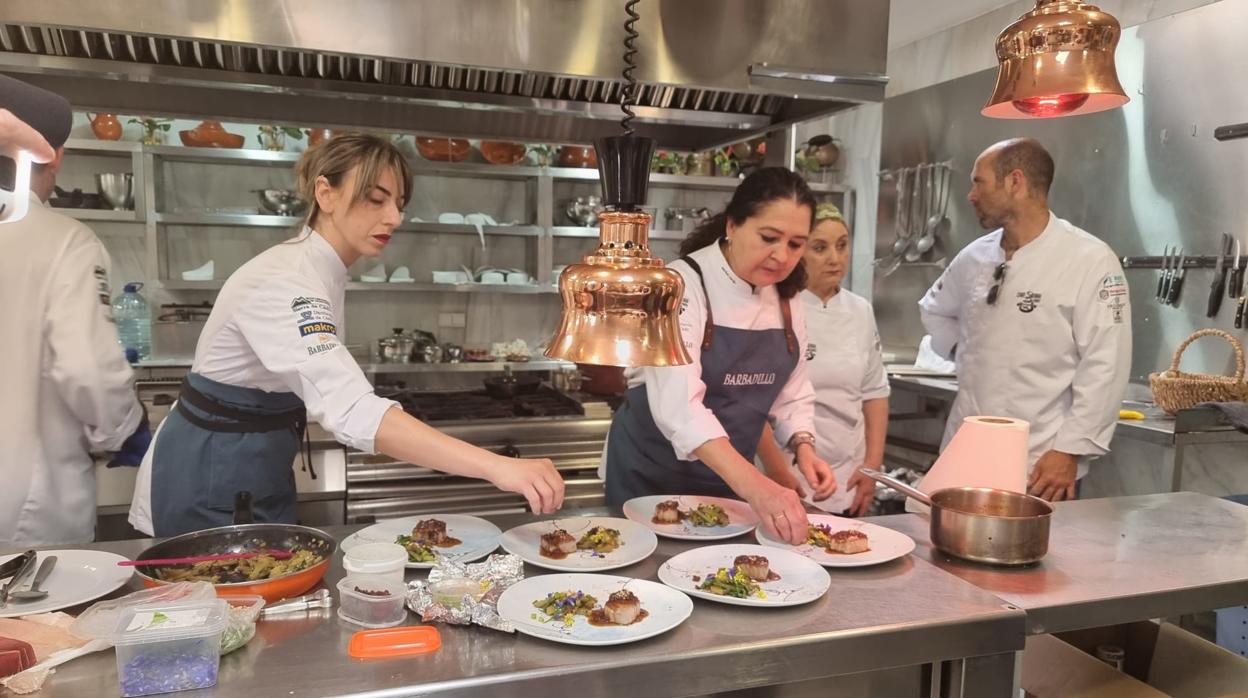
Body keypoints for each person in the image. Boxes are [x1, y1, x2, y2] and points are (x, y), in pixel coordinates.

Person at [129, 134, 564, 536]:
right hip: (211, 475)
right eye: (376, 200)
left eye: (399, 203)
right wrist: (497, 467)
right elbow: (352, 410)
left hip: (253, 466)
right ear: (326, 193)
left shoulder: (325, 272)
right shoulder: (287, 281)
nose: (394, 217)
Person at [602, 167, 837, 545]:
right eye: (769, 238)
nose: (782, 256)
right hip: (650, 475)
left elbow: (793, 391)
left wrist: (803, 447)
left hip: (730, 479)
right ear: (732, 225)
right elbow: (679, 409)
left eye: (796, 244)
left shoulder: (788, 297)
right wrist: (757, 485)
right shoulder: (680, 284)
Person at [918, 138, 1131, 501]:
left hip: (1040, 462)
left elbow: (1105, 365)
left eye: (978, 181)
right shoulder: (974, 257)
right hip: (965, 452)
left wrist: (1069, 451)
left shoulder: (1089, 260)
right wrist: (965, 351)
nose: (970, 195)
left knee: (1037, 555)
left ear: (1014, 182)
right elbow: (934, 310)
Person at [0, 75, 150, 546]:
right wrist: (126, 431)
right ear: (54, 156)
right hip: (25, 509)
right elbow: (88, 369)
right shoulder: (60, 239)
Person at [758, 204, 889, 516]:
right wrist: (779, 476)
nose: (835, 258)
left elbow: (874, 392)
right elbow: (754, 405)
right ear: (798, 252)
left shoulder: (860, 311)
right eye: (820, 247)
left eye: (842, 245)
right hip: (785, 472)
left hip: (849, 478)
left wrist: (871, 467)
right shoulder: (770, 307)